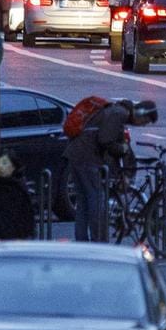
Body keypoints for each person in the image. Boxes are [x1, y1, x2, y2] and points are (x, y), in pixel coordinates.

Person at [65, 99, 132, 243]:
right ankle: (98, 241)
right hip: (88, 158)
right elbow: (105, 140)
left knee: (83, 201)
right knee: (96, 199)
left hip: (74, 154)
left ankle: (81, 240)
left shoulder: (106, 111)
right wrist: (122, 149)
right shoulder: (119, 113)